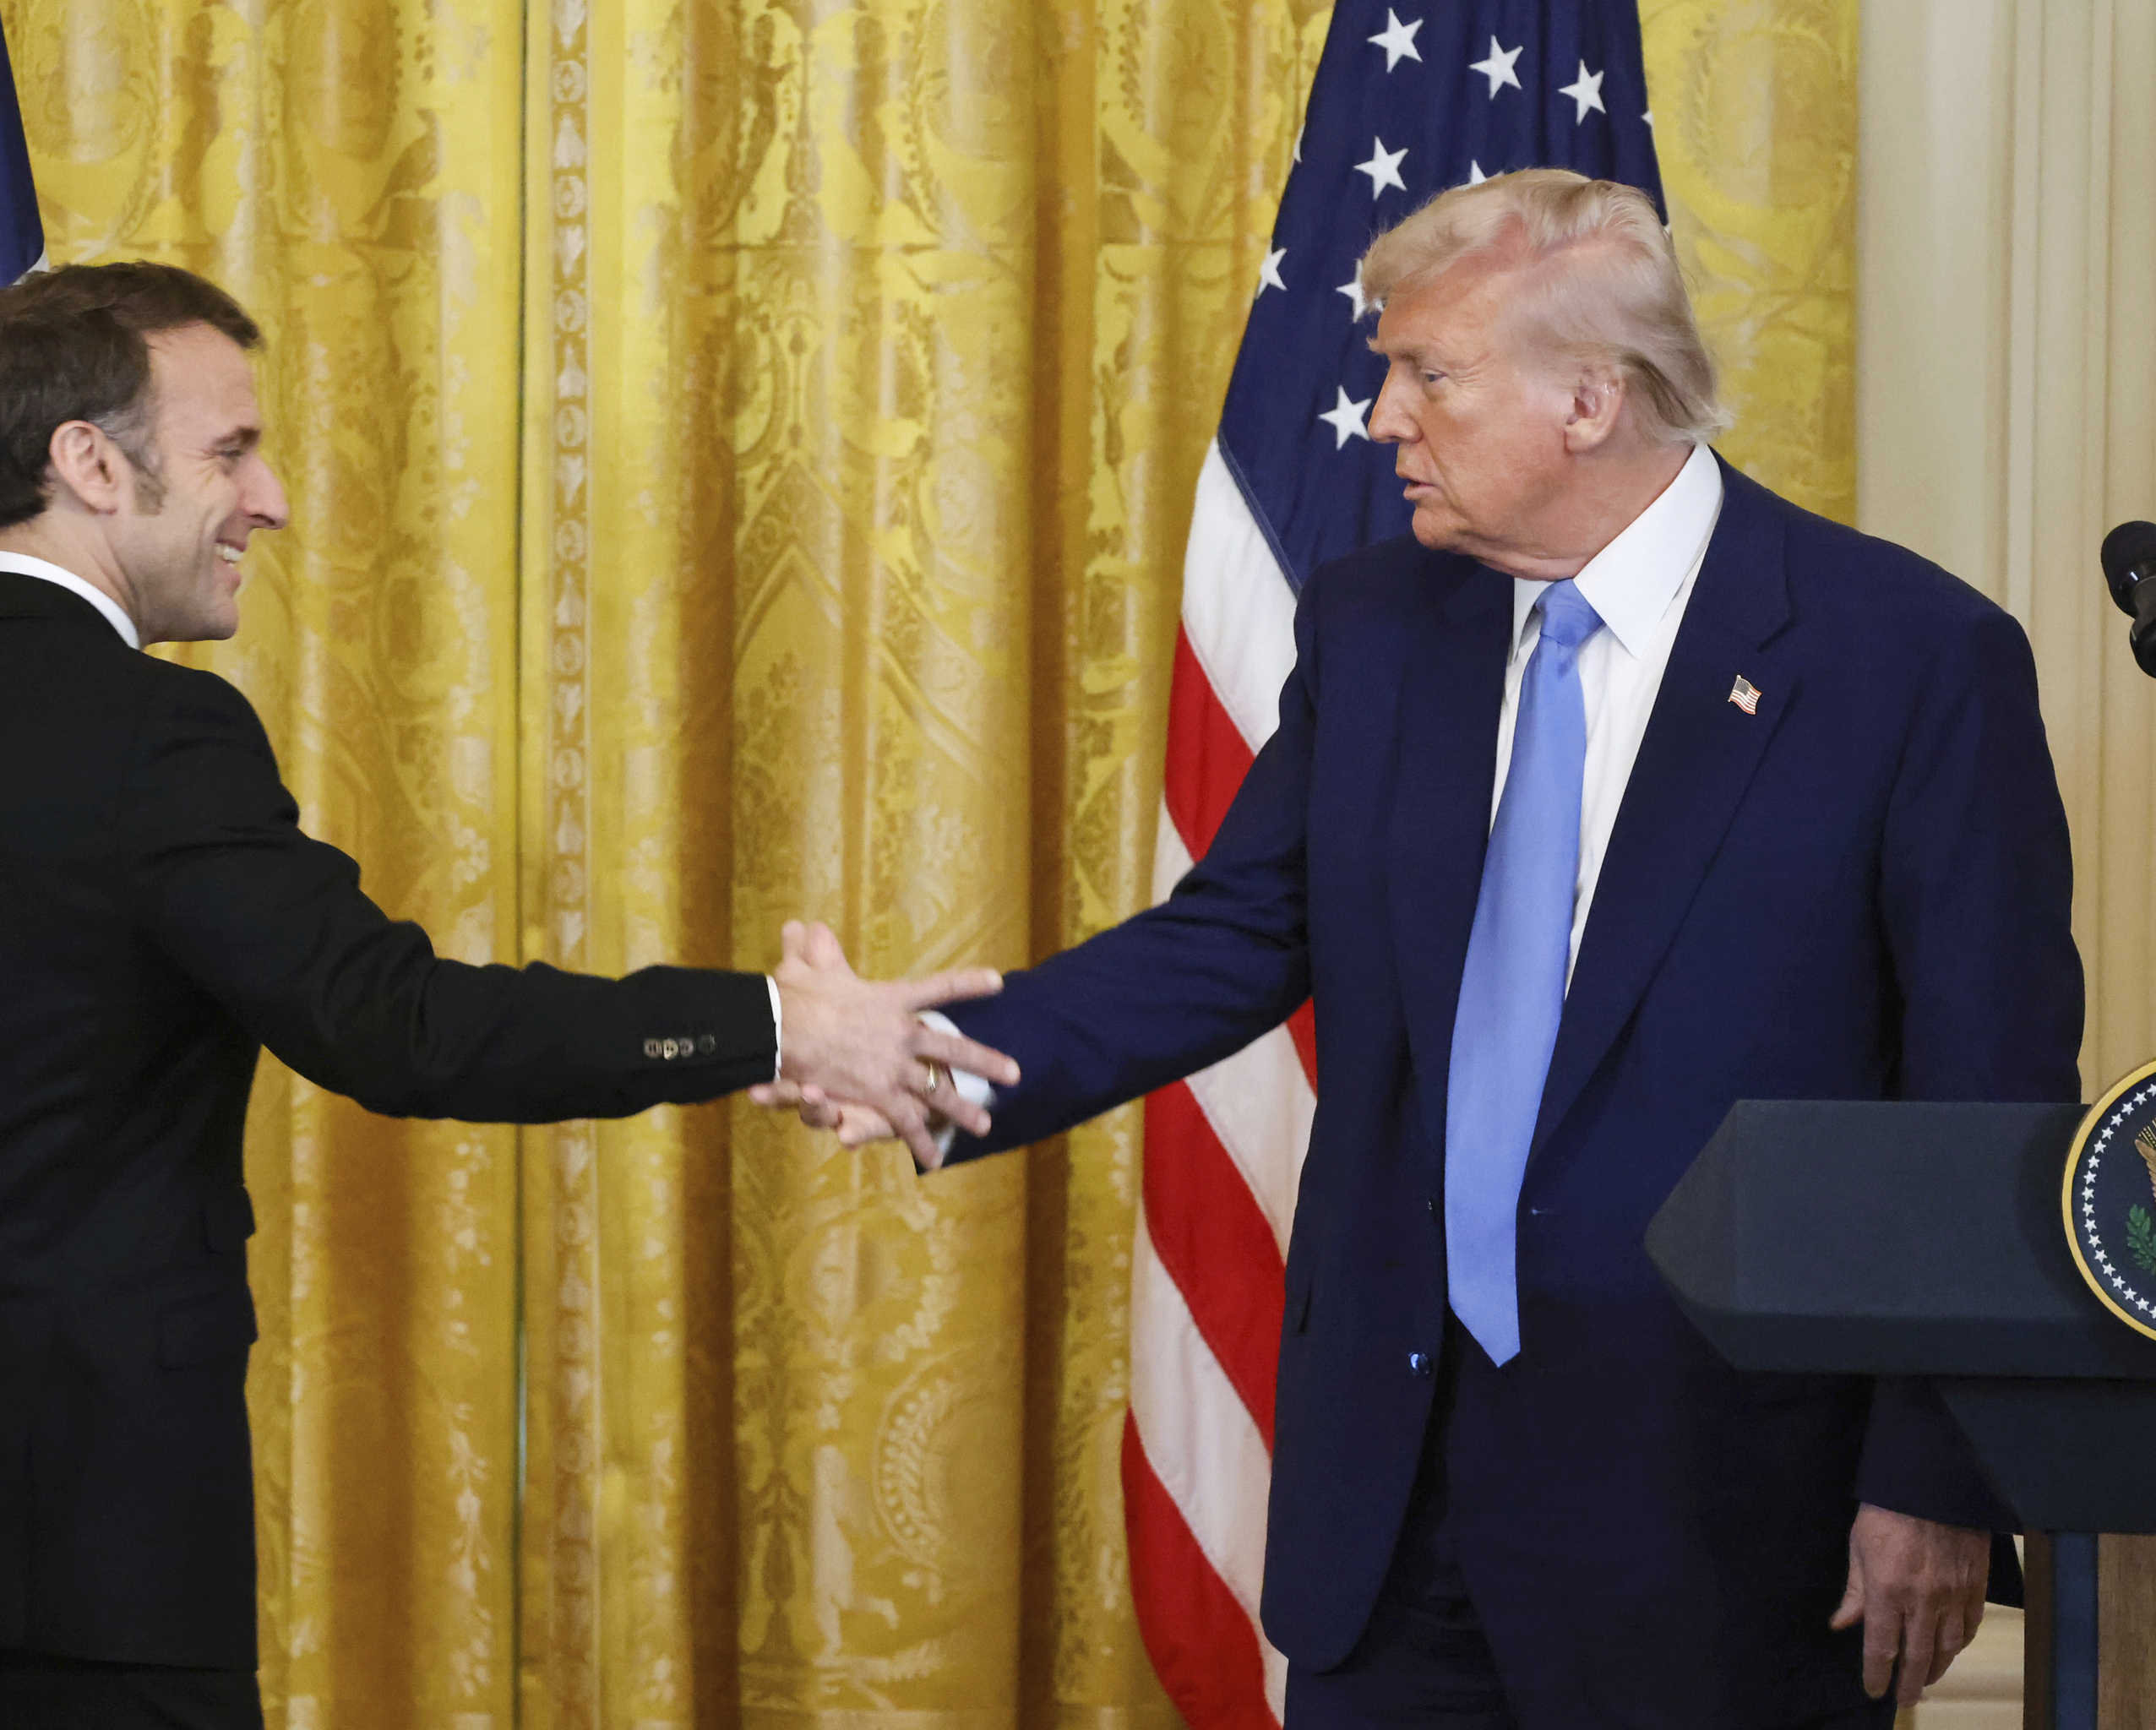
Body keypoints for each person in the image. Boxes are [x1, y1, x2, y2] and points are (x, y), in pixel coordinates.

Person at [772, 171, 2083, 1726]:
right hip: (1393, 1513)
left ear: (1590, 398)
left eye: (1428, 373)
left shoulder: (1907, 662)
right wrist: (928, 1058)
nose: (1386, 414)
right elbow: (1231, 940)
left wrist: (1933, 1470)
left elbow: (1986, 1097)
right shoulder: (1382, 627)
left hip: (1727, 1520)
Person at [0, 260, 1017, 1730]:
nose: (276, 498)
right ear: (89, 464)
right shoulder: (159, 736)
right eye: (233, 450)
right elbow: (400, 1024)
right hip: (82, 1592)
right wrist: (774, 1020)